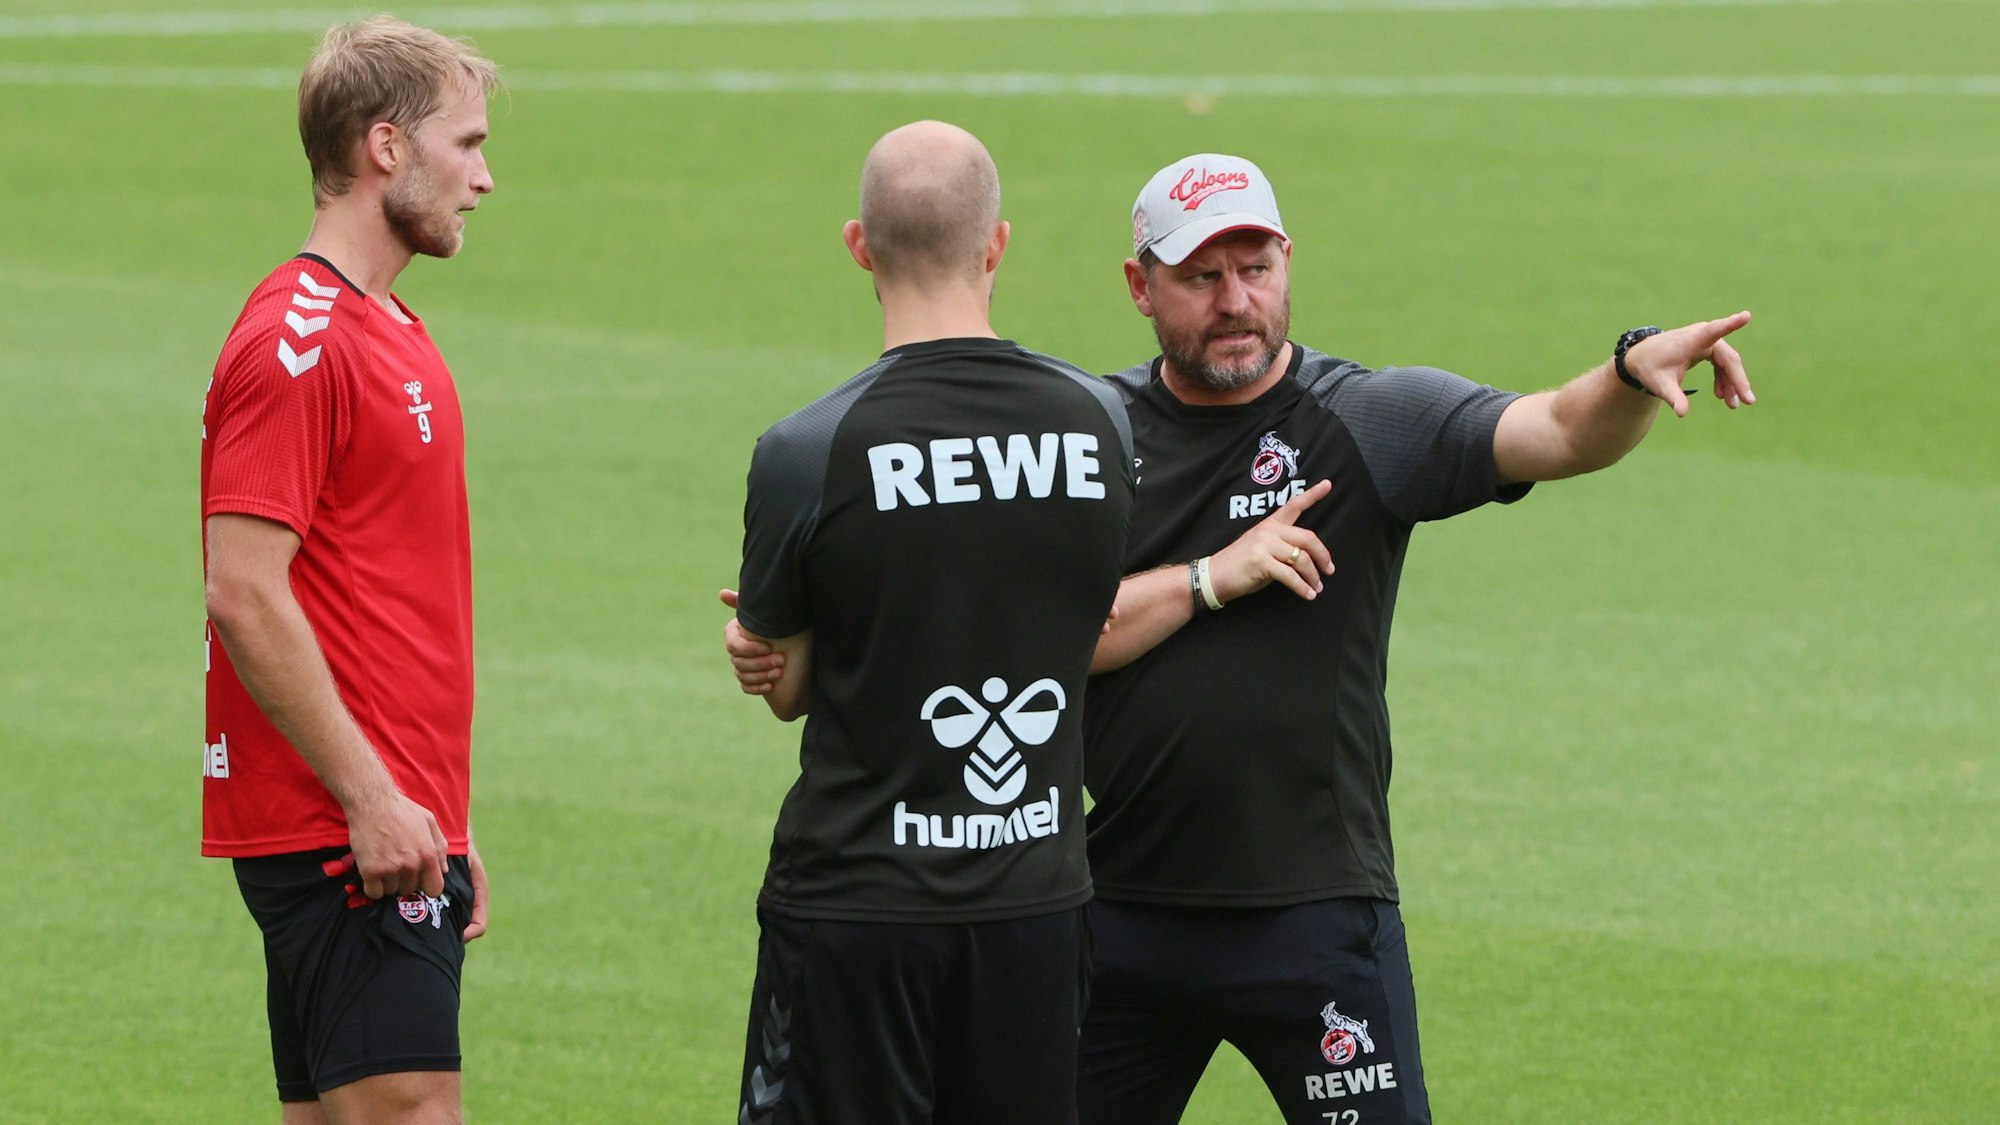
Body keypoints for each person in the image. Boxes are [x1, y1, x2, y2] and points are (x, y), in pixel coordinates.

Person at [1069, 154, 1755, 1124]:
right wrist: (1207, 578)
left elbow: (1554, 431)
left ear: (1286, 263)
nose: (1234, 300)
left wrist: (1628, 368)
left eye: (1254, 267)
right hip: (1112, 911)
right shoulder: (1083, 439)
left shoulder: (1364, 418)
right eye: (1199, 276)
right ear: (1140, 285)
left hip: (1312, 917)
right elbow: (1037, 636)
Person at [720, 120, 1134, 1125]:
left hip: (859, 906)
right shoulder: (1100, 422)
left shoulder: (805, 450)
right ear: (996, 245)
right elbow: (1078, 620)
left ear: (859, 245)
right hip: (1034, 904)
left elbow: (792, 687)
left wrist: (762, 656)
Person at [199, 17, 498, 1122]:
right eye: (463, 144)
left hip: (382, 827)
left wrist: (445, 819)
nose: (484, 177)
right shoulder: (303, 338)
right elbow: (242, 588)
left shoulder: (390, 326)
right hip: (340, 833)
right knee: (413, 1107)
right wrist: (377, 800)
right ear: (384, 146)